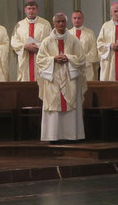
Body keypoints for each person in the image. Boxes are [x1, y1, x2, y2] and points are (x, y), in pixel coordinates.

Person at [35, 13, 87, 143]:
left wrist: (68, 57)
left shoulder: (74, 40)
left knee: (70, 105)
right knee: (54, 105)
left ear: (66, 22)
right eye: (58, 22)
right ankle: (53, 136)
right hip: (53, 80)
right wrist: (53, 59)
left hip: (70, 79)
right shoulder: (47, 41)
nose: (61, 24)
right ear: (54, 23)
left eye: (63, 21)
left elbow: (81, 59)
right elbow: (40, 60)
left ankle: (72, 136)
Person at [11, 0, 52, 81]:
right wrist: (25, 46)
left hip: (40, 57)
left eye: (33, 9)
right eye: (29, 8)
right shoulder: (19, 25)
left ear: (37, 10)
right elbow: (14, 41)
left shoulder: (45, 24)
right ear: (25, 10)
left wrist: (38, 46)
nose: (31, 11)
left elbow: (50, 41)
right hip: (25, 59)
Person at [70, 10, 100, 81]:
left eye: (79, 18)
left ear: (82, 19)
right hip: (72, 66)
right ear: (71, 19)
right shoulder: (68, 34)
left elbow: (93, 50)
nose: (77, 20)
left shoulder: (90, 33)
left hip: (86, 65)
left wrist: (83, 58)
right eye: (75, 18)